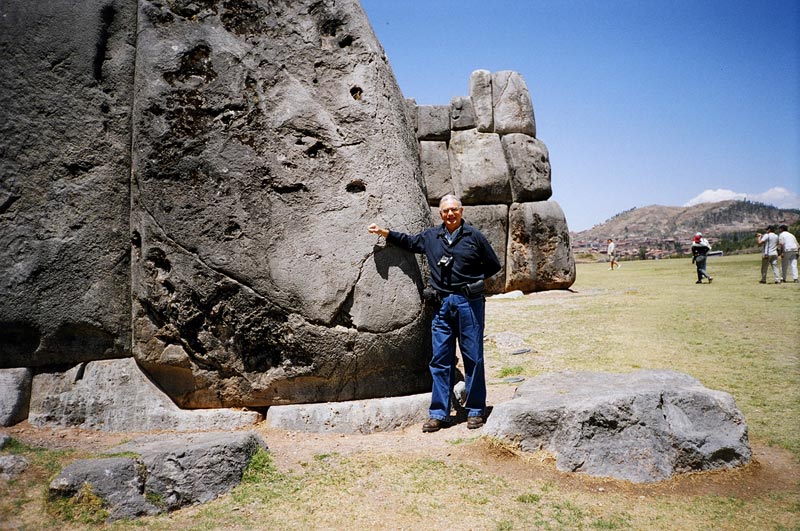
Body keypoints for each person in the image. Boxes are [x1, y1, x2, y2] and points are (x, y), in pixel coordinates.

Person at [368, 195, 501, 433]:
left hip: (468, 303)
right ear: (440, 214)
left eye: (454, 210)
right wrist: (384, 233)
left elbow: (493, 265)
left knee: (473, 357)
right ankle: (439, 413)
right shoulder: (431, 237)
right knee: (440, 360)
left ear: (461, 211)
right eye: (445, 211)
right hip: (441, 306)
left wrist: (472, 280)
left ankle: (475, 410)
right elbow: (409, 242)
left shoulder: (474, 237)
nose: (450, 214)